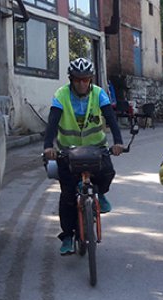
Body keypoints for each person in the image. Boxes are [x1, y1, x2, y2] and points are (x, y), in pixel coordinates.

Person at [43, 58, 124, 255]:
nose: (82, 84)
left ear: (91, 79)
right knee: (68, 196)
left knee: (108, 172)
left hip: (96, 149)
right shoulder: (61, 95)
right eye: (78, 80)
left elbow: (111, 119)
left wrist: (118, 142)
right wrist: (48, 147)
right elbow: (52, 123)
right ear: (71, 79)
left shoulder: (99, 94)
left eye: (85, 79)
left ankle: (101, 194)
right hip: (68, 152)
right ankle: (68, 237)